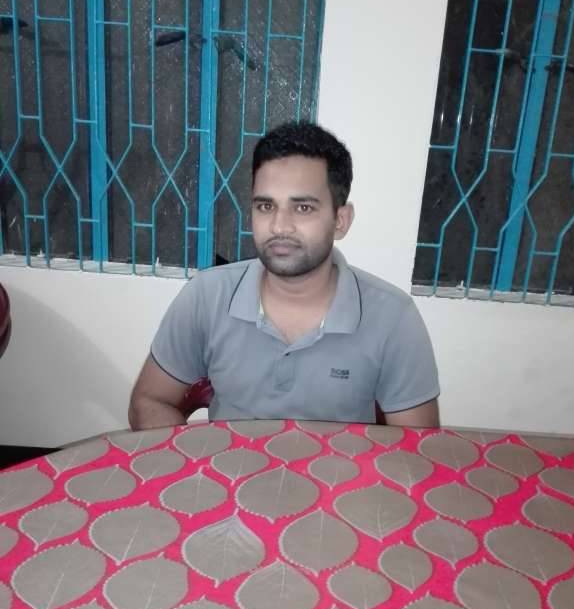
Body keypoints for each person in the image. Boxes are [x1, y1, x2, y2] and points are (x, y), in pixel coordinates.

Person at [129, 121, 440, 429]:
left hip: (343, 464)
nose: (279, 226)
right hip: (231, 462)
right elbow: (150, 401)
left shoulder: (392, 317)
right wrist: (198, 457)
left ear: (340, 221)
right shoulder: (207, 296)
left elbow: (416, 446)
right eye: (266, 206)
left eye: (303, 208)